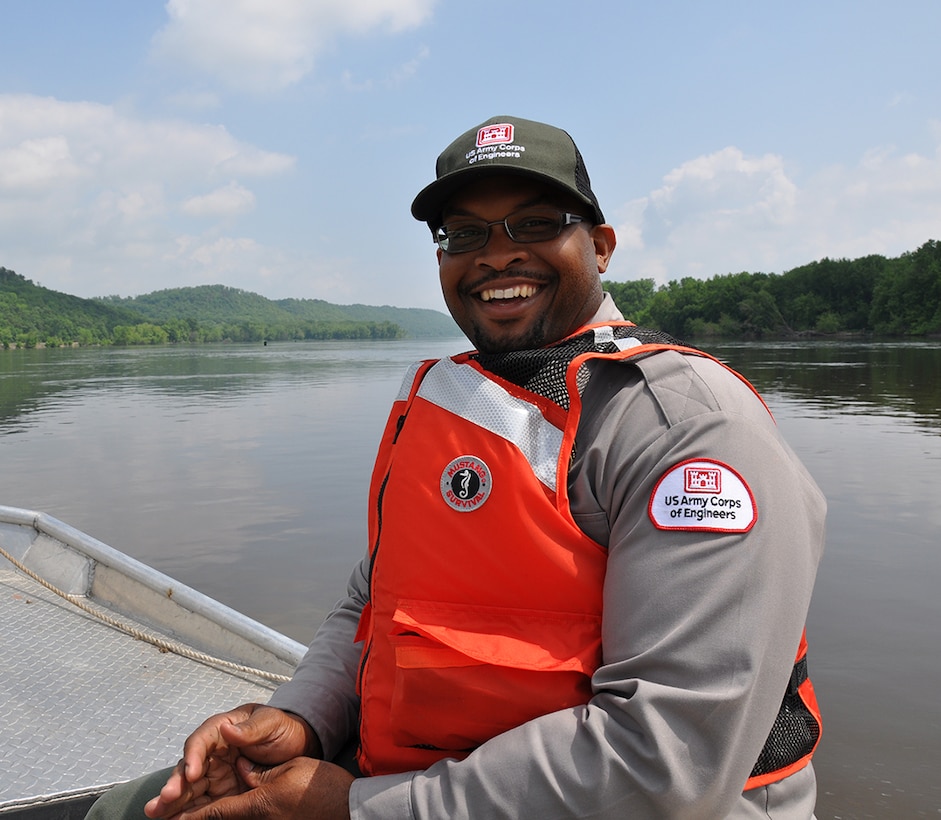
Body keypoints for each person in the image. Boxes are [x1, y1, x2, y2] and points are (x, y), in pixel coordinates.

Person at [87, 115, 825, 819]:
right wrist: (300, 718)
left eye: (534, 224)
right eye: (463, 234)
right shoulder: (454, 408)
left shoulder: (686, 426)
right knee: (125, 811)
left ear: (600, 245)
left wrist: (347, 807)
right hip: (420, 788)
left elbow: (667, 765)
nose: (496, 254)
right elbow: (369, 605)